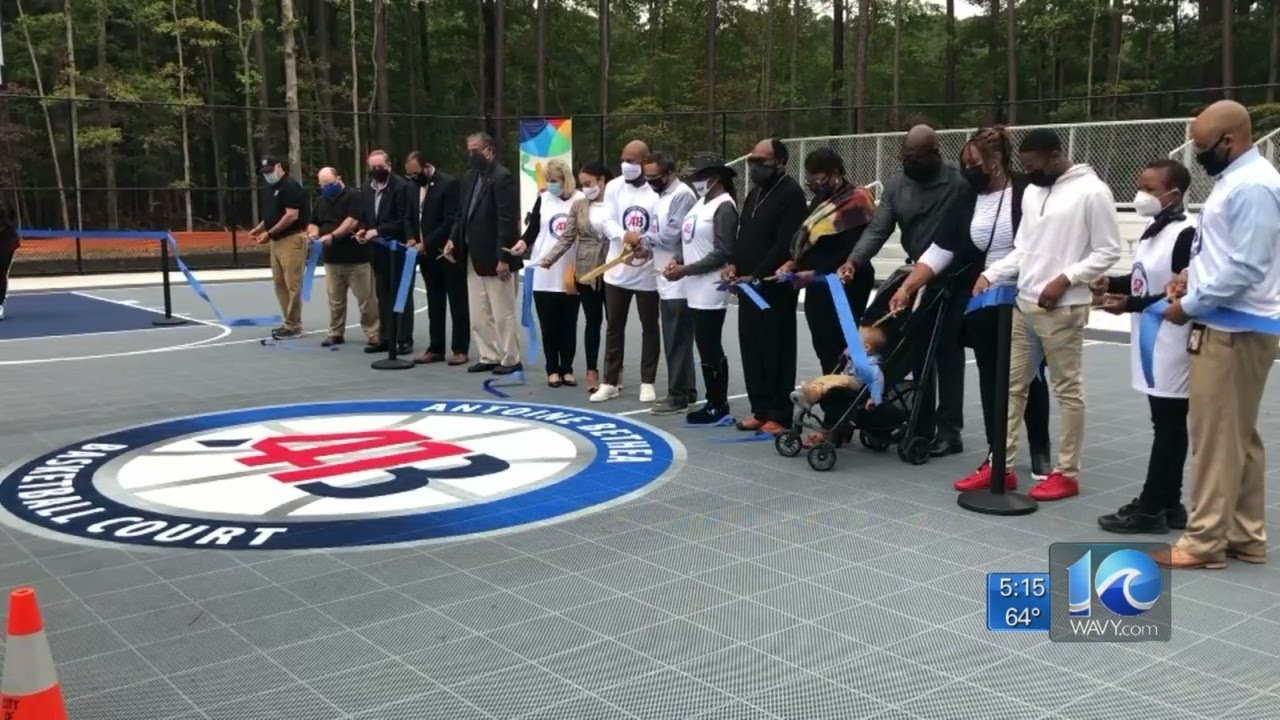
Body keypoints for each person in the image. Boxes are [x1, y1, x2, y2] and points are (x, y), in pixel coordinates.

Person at [889, 126, 1053, 490]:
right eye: (964, 163)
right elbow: (941, 249)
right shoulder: (967, 197)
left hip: (1023, 297)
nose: (967, 169)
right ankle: (998, 455)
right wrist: (908, 286)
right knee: (992, 379)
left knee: (1029, 377)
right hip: (982, 300)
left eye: (974, 162)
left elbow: (1040, 245)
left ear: (996, 161)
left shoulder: (1029, 192)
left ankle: (1040, 445)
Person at [1156, 100, 1280, 569]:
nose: (1199, 155)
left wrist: (1188, 305)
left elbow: (1248, 266)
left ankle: (1204, 540)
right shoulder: (1243, 181)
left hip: (1233, 327)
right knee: (1240, 437)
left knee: (1212, 438)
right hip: (1242, 323)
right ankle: (1246, 534)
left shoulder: (1252, 186)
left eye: (1204, 146)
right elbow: (1229, 252)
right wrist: (1192, 274)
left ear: (1230, 140)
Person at [975, 128, 1121, 501]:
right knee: (1011, 387)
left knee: (1067, 389)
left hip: (1064, 306)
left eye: (1032, 164)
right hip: (1024, 302)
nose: (1029, 172)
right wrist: (991, 273)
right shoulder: (1035, 191)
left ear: (1056, 155)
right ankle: (1001, 467)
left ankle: (1067, 472)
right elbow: (1024, 247)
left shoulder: (1092, 192)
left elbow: (1107, 251)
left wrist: (1066, 279)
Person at [837, 126, 972, 458]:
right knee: (913, 348)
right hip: (916, 274)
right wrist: (853, 260)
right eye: (905, 158)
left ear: (934, 153)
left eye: (916, 158)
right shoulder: (897, 185)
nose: (910, 163)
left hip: (955, 275)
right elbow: (878, 229)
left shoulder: (959, 181)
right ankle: (919, 423)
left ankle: (949, 429)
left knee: (947, 354)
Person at [1089, 159, 1196, 534]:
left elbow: (1181, 289)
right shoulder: (1155, 231)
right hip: (1152, 339)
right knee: (1166, 423)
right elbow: (1143, 280)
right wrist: (1111, 284)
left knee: (1168, 423)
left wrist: (1130, 304)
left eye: (1150, 189)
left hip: (1172, 338)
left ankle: (1151, 505)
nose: (1142, 195)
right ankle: (1169, 502)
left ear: (1174, 193)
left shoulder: (1186, 232)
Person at [727, 138, 808, 433]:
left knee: (776, 349)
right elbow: (743, 233)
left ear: (780, 162)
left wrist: (759, 275)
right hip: (748, 286)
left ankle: (779, 413)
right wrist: (734, 264)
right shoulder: (754, 193)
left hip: (773, 286)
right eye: (752, 161)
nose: (755, 167)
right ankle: (759, 409)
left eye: (761, 162)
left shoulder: (791, 194)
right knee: (751, 347)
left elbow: (785, 243)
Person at [778, 148, 876, 374]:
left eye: (819, 178)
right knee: (824, 346)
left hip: (846, 282)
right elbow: (810, 241)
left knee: (844, 345)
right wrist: (794, 263)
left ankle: (853, 400)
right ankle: (833, 398)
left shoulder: (856, 201)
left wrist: (815, 272)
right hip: (816, 285)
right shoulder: (820, 202)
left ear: (835, 173)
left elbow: (851, 248)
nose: (815, 184)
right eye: (810, 180)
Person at [662, 154, 739, 424]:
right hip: (693, 283)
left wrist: (686, 270)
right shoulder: (700, 204)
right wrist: (678, 260)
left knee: (709, 344)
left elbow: (722, 251)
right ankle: (713, 400)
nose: (695, 182)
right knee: (703, 344)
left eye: (699, 177)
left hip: (710, 284)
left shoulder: (724, 206)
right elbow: (690, 242)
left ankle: (719, 403)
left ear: (715, 178)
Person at [445, 132, 524, 375]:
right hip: (472, 255)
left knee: (502, 312)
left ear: (489, 150)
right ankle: (488, 354)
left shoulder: (502, 177)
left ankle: (510, 358)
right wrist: (452, 240)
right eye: (469, 150)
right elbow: (462, 214)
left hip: (495, 255)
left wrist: (504, 258)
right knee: (478, 313)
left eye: (476, 150)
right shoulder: (469, 177)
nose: (471, 155)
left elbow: (507, 220)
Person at [593, 140, 662, 403]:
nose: (627, 165)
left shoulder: (655, 191)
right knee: (614, 327)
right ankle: (610, 381)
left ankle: (648, 381)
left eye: (633, 161)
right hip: (616, 270)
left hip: (647, 271)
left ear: (646, 162)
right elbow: (606, 221)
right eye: (624, 159)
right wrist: (625, 235)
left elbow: (660, 225)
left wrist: (644, 242)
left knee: (649, 327)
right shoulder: (613, 186)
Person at [537, 161, 613, 394]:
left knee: (614, 325)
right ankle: (591, 371)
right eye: (583, 184)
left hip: (612, 270)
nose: (586, 188)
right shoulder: (579, 206)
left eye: (589, 183)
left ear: (602, 181)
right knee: (592, 322)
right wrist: (549, 257)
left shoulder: (615, 203)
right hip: (586, 271)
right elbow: (567, 236)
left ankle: (613, 372)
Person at [642, 152, 699, 415]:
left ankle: (677, 395)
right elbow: (656, 232)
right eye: (648, 177)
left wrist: (643, 240)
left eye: (654, 177)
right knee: (676, 337)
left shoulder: (682, 195)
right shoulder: (661, 198)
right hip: (664, 277)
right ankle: (686, 390)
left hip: (679, 280)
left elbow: (671, 235)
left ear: (669, 173)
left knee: (676, 338)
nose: (650, 181)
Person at [525, 160, 585, 386]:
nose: (550, 185)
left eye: (554, 181)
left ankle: (567, 367)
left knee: (569, 322)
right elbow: (533, 230)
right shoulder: (543, 198)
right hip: (544, 269)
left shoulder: (580, 200)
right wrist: (522, 243)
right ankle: (552, 368)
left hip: (570, 269)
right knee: (548, 323)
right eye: (548, 180)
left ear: (565, 180)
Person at [404, 151, 466, 366]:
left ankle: (460, 348)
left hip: (445, 252)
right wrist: (411, 237)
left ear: (426, 166)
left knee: (457, 301)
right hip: (424, 255)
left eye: (415, 173)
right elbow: (408, 216)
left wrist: (427, 242)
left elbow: (450, 219)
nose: (413, 178)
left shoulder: (448, 184)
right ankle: (436, 347)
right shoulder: (412, 187)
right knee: (434, 301)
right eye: (409, 176)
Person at [307, 167, 378, 348]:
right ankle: (335, 332)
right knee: (335, 300)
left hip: (356, 259)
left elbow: (351, 221)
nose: (326, 188)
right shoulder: (320, 201)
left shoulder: (354, 196)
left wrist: (333, 236)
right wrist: (314, 234)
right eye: (323, 185)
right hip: (332, 260)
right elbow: (313, 222)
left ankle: (374, 333)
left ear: (338, 178)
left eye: (329, 184)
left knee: (366, 300)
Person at [356, 149, 416, 355]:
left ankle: (404, 338)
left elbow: (403, 219)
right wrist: (363, 229)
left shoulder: (402, 187)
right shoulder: (366, 188)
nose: (376, 171)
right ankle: (386, 337)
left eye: (380, 167)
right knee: (382, 294)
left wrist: (378, 231)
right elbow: (365, 214)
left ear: (389, 165)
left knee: (402, 293)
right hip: (377, 251)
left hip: (397, 249)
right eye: (372, 168)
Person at [791, 325, 888, 444]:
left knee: (834, 382)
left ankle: (813, 395)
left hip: (855, 383)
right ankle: (810, 393)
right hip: (846, 379)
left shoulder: (871, 365)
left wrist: (874, 398)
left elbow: (878, 380)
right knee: (826, 378)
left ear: (866, 348)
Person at [249, 156, 310, 340]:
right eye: (264, 173)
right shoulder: (271, 189)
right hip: (276, 241)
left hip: (291, 239)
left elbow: (291, 216)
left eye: (270, 171)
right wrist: (260, 228)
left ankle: (294, 325)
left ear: (279, 167)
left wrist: (269, 233)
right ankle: (288, 322)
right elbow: (273, 215)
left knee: (293, 283)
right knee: (279, 284)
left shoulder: (290, 186)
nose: (268, 176)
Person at [0, 195, 17, 321]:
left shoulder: (4, 202)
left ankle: (0, 304)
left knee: (1, 272)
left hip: (6, 242)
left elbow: (11, 215)